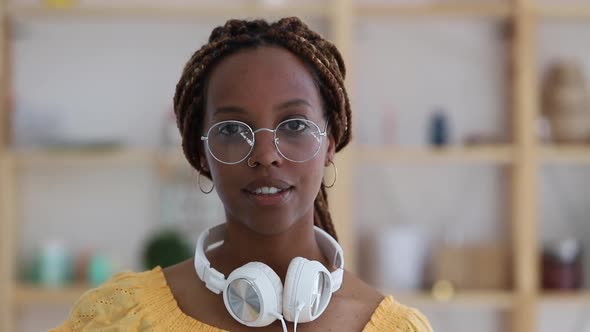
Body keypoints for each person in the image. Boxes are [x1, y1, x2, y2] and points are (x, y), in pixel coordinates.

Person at [52, 17, 432, 332]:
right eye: (233, 130)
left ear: (329, 143)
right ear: (200, 153)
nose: (265, 155)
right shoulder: (116, 318)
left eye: (294, 125)